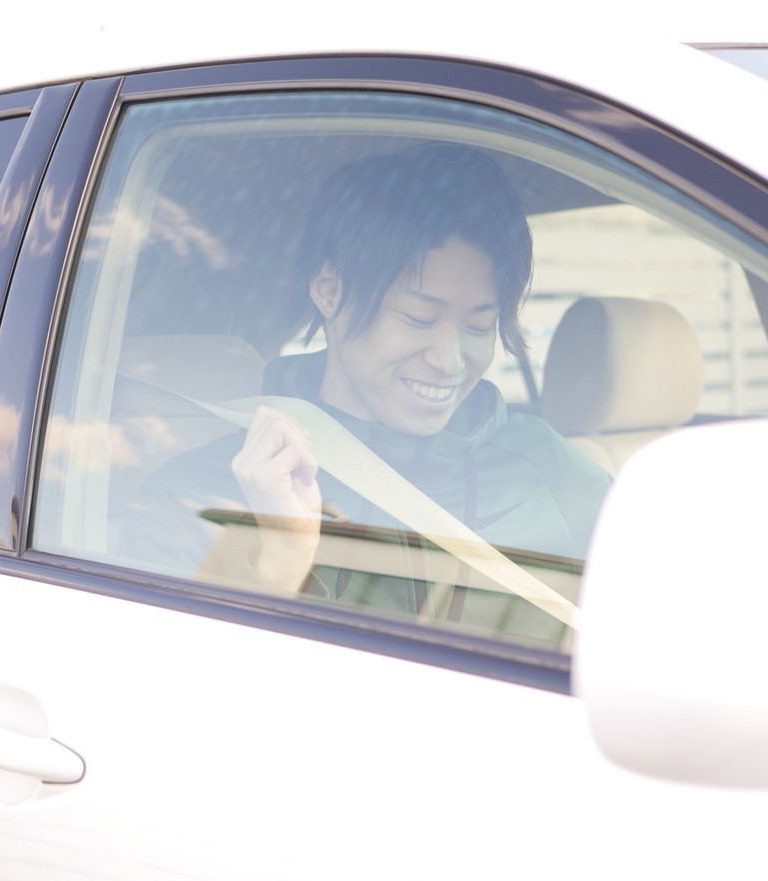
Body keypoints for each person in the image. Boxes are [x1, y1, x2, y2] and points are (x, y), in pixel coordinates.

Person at [121, 142, 611, 632]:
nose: (450, 361)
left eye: (479, 327)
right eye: (419, 318)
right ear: (330, 292)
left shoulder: (552, 471)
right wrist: (278, 564)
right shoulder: (200, 496)